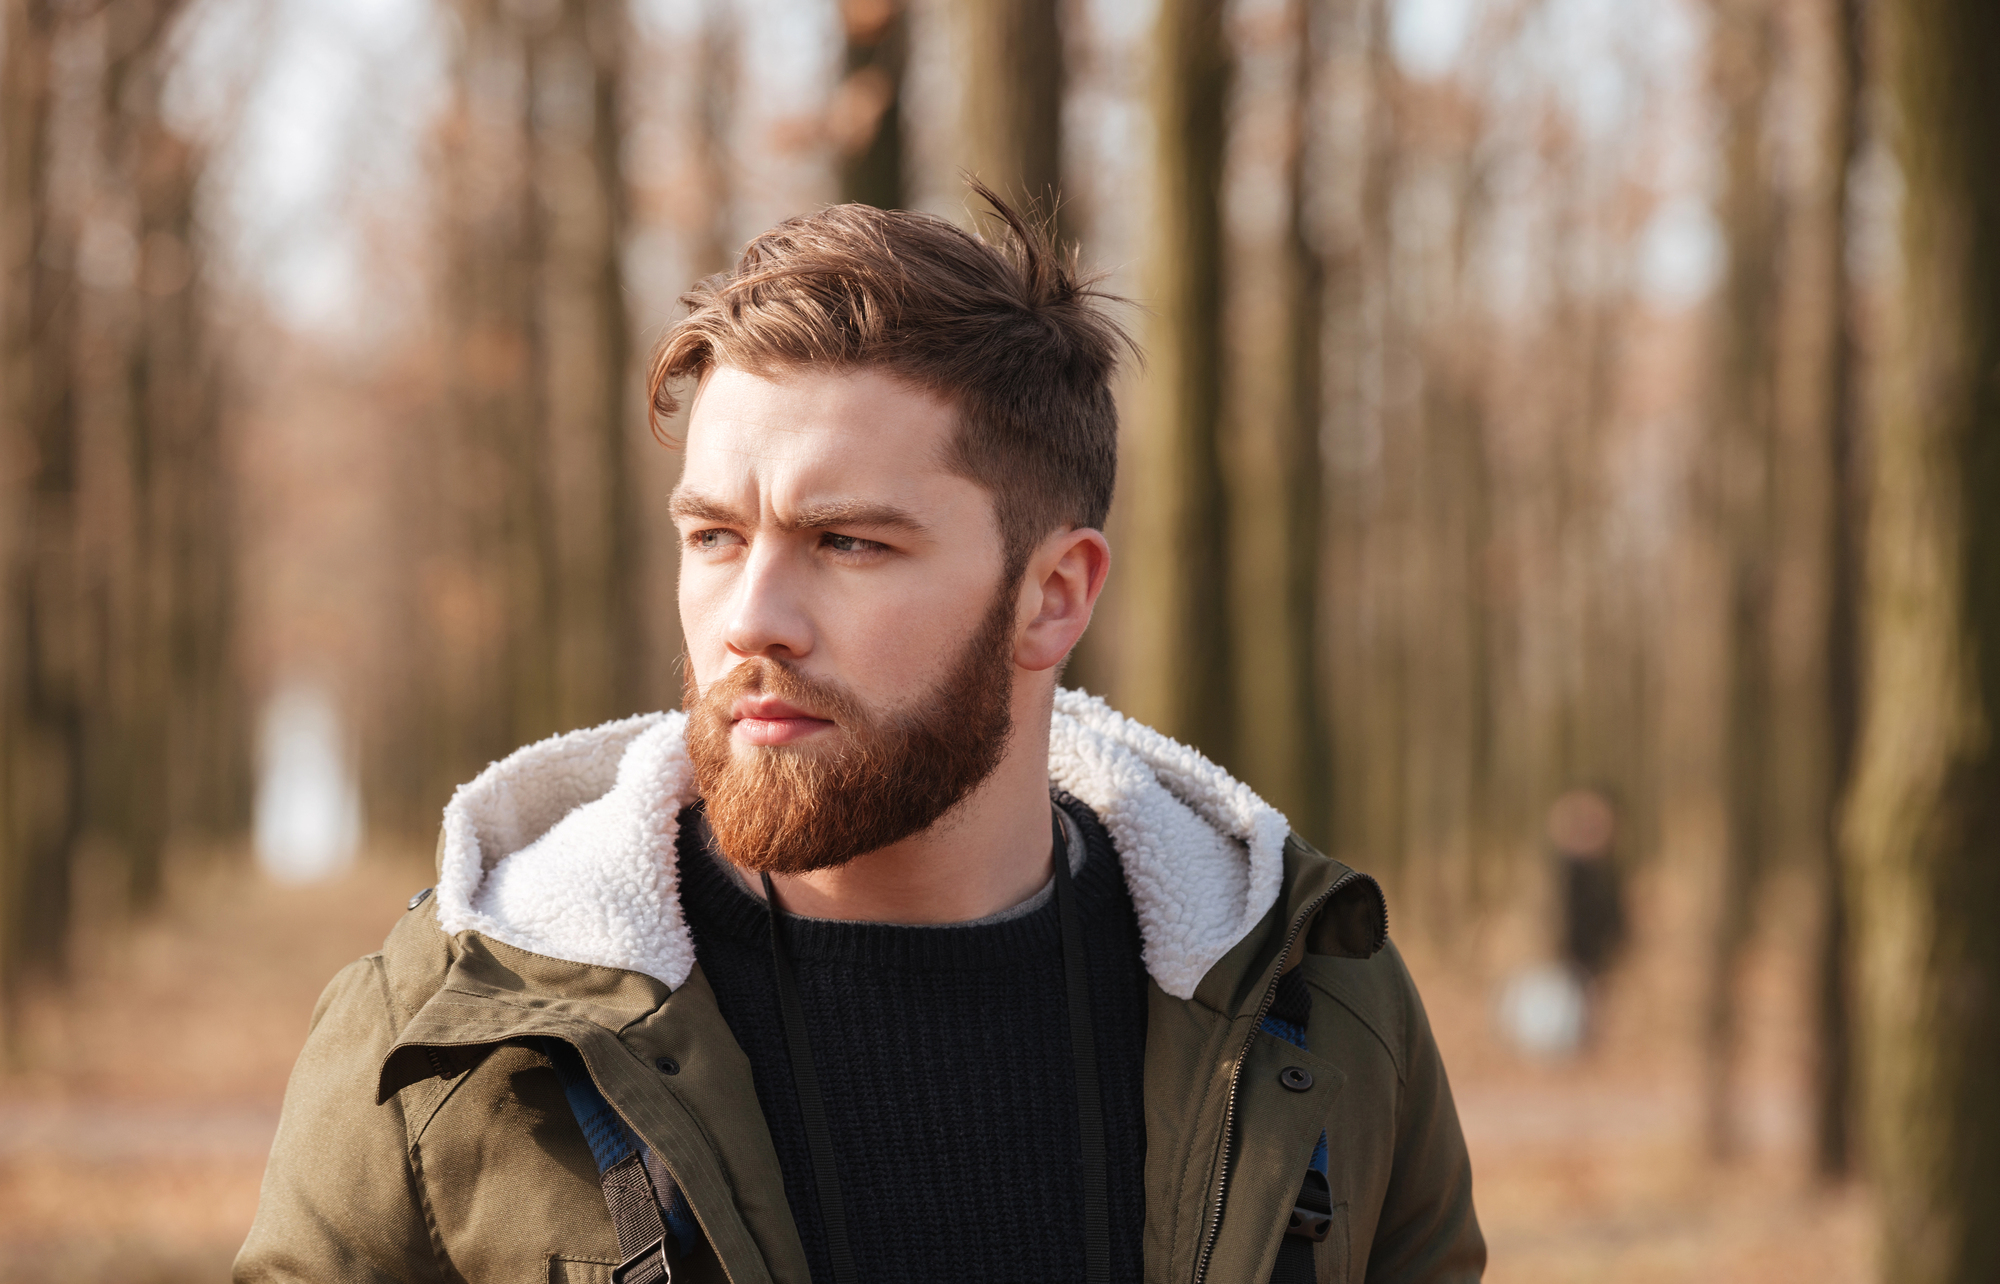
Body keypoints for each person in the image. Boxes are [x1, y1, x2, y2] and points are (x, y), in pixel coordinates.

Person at [235, 188, 1484, 1284]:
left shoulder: (1313, 1012)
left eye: (848, 543)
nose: (751, 620)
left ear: (1052, 597)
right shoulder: (454, 1033)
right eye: (715, 536)